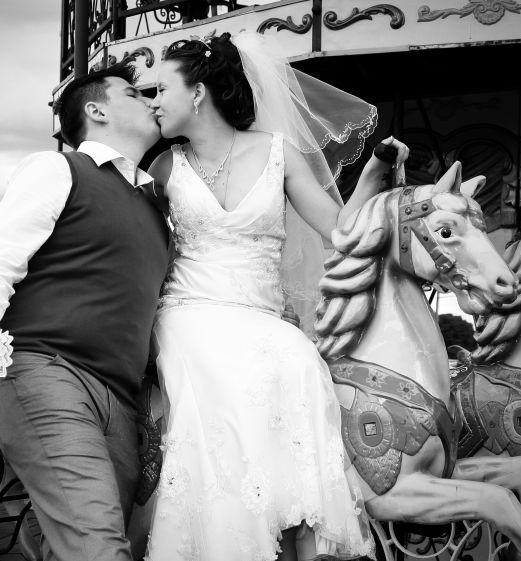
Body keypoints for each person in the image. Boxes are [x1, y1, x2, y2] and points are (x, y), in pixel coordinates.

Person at [144, 31, 408, 561]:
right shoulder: (164, 168)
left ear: (197, 93)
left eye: (161, 89)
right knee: (219, 374)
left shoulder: (277, 153)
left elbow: (339, 230)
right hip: (187, 313)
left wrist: (372, 177)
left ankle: (291, 529)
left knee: (299, 360)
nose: (153, 102)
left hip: (260, 317)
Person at [0, 62, 169, 561]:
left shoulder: (153, 205)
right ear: (96, 111)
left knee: (88, 541)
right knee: (98, 543)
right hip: (44, 370)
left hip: (119, 397)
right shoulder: (58, 169)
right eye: (133, 92)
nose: (149, 99)